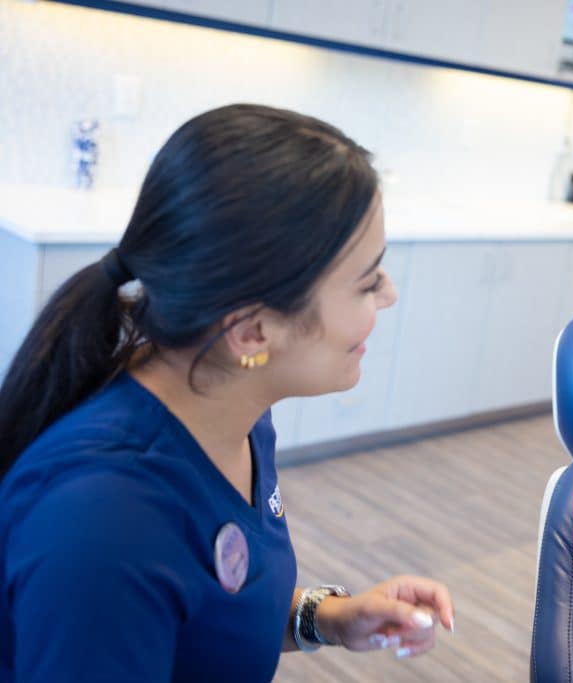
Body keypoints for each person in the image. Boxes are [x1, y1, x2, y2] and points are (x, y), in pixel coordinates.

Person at [0, 104, 454, 682]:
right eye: (368, 281)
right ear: (252, 333)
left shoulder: (234, 415)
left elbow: (211, 612)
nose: (387, 295)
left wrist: (329, 617)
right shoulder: (102, 523)